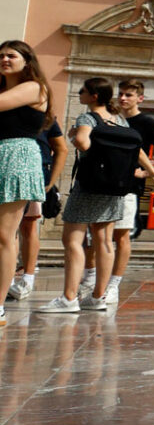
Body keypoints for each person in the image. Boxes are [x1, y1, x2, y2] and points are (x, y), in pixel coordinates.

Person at [50, 77, 154, 313]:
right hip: (114, 188)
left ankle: (68, 298)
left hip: (89, 186)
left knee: (72, 240)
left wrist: (75, 135)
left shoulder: (88, 117)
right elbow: (137, 150)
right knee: (106, 242)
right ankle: (98, 297)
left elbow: (83, 143)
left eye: (82, 91)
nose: (79, 94)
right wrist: (152, 170)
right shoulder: (119, 120)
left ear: (94, 96)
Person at [0, 41, 54, 326]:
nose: (5, 59)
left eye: (11, 55)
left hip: (16, 154)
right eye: (1, 56)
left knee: (4, 234)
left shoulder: (35, 87)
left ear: (27, 61)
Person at [109, 80, 154, 305]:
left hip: (129, 186)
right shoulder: (112, 119)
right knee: (98, 235)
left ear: (140, 98)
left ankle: (114, 285)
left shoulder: (145, 122)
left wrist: (148, 173)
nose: (123, 98)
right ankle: (94, 281)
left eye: (128, 94)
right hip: (105, 182)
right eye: (120, 94)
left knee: (121, 235)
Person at [9, 119, 65, 304]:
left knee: (24, 227)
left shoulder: (42, 114)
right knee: (18, 229)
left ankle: (24, 277)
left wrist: (50, 182)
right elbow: (61, 148)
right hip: (23, 171)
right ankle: (17, 278)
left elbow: (61, 148)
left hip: (33, 172)